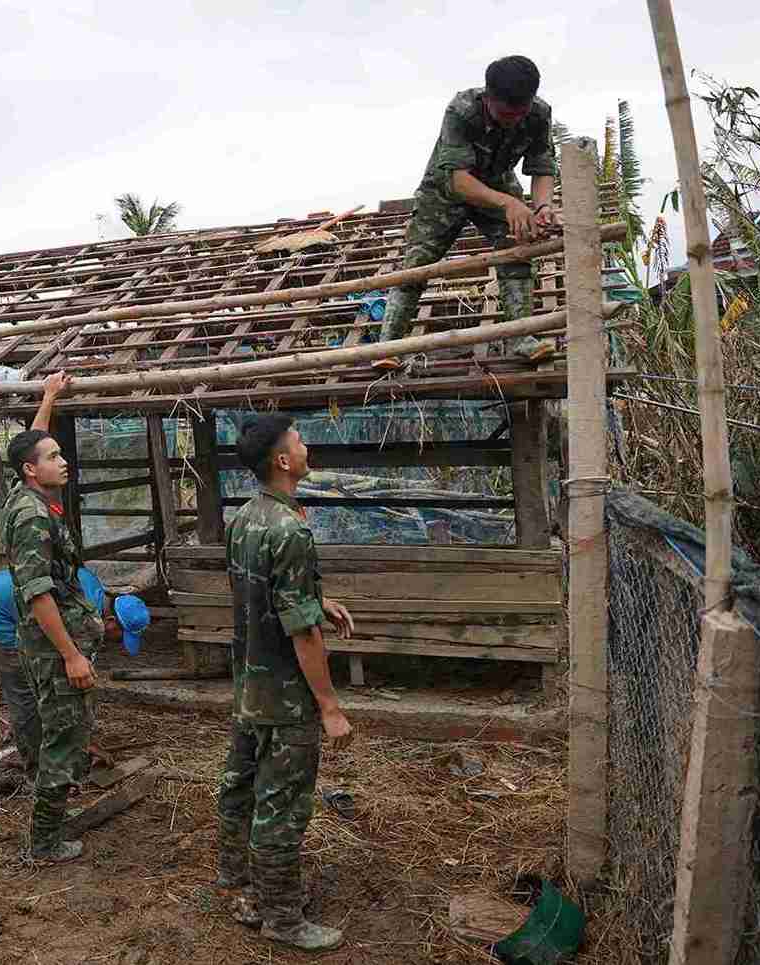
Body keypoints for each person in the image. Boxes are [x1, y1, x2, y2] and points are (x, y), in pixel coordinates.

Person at [216, 415, 356, 952]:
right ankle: (283, 919)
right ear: (281, 460)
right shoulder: (290, 530)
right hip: (286, 698)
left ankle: (244, 890)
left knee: (242, 789)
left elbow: (264, 594)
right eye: (298, 441)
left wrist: (317, 600)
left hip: (249, 688)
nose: (305, 447)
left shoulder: (245, 517)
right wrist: (329, 707)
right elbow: (301, 632)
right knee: (282, 809)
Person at [373, 55, 560, 372]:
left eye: (521, 113)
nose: (514, 120)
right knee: (417, 264)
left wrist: (542, 206)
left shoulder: (539, 114)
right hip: (444, 191)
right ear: (488, 97)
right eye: (506, 114)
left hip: (497, 184)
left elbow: (541, 167)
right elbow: (459, 181)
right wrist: (509, 204)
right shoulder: (461, 111)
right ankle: (389, 346)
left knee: (518, 248)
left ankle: (520, 338)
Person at [0, 371, 101, 864]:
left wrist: (48, 398)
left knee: (61, 728)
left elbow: (32, 443)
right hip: (53, 647)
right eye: (54, 456)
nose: (64, 461)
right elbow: (38, 593)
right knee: (63, 736)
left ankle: (50, 820)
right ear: (31, 471)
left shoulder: (25, 494)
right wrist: (72, 655)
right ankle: (44, 841)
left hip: (51, 643)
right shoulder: (33, 516)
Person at [0, 565, 150, 779]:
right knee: (24, 690)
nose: (117, 643)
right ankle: (40, 773)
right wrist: (82, 742)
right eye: (120, 636)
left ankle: (41, 740)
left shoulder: (95, 592)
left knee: (43, 678)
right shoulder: (82, 619)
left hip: (0, 593)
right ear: (110, 622)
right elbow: (73, 685)